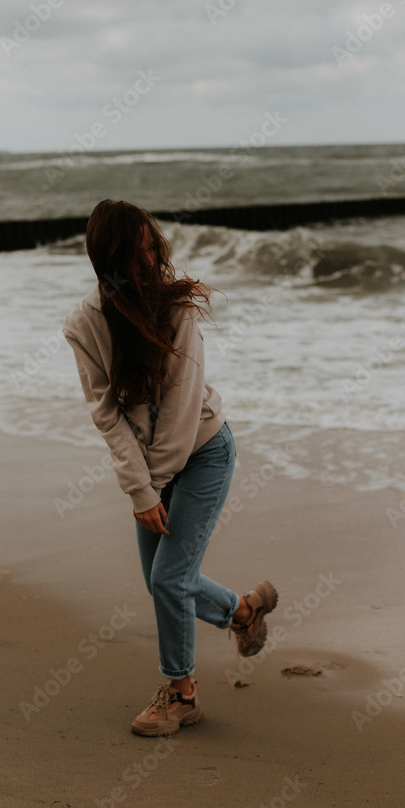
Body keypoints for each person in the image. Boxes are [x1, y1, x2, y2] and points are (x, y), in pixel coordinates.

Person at [62, 199, 277, 737]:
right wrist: (140, 492)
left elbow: (182, 410)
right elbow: (107, 414)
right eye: (139, 253)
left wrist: (150, 486)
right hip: (154, 469)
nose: (153, 259)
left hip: (204, 451)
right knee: (162, 580)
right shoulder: (85, 325)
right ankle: (244, 611)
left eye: (153, 246)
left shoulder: (176, 310)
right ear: (108, 259)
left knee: (167, 578)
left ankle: (181, 696)